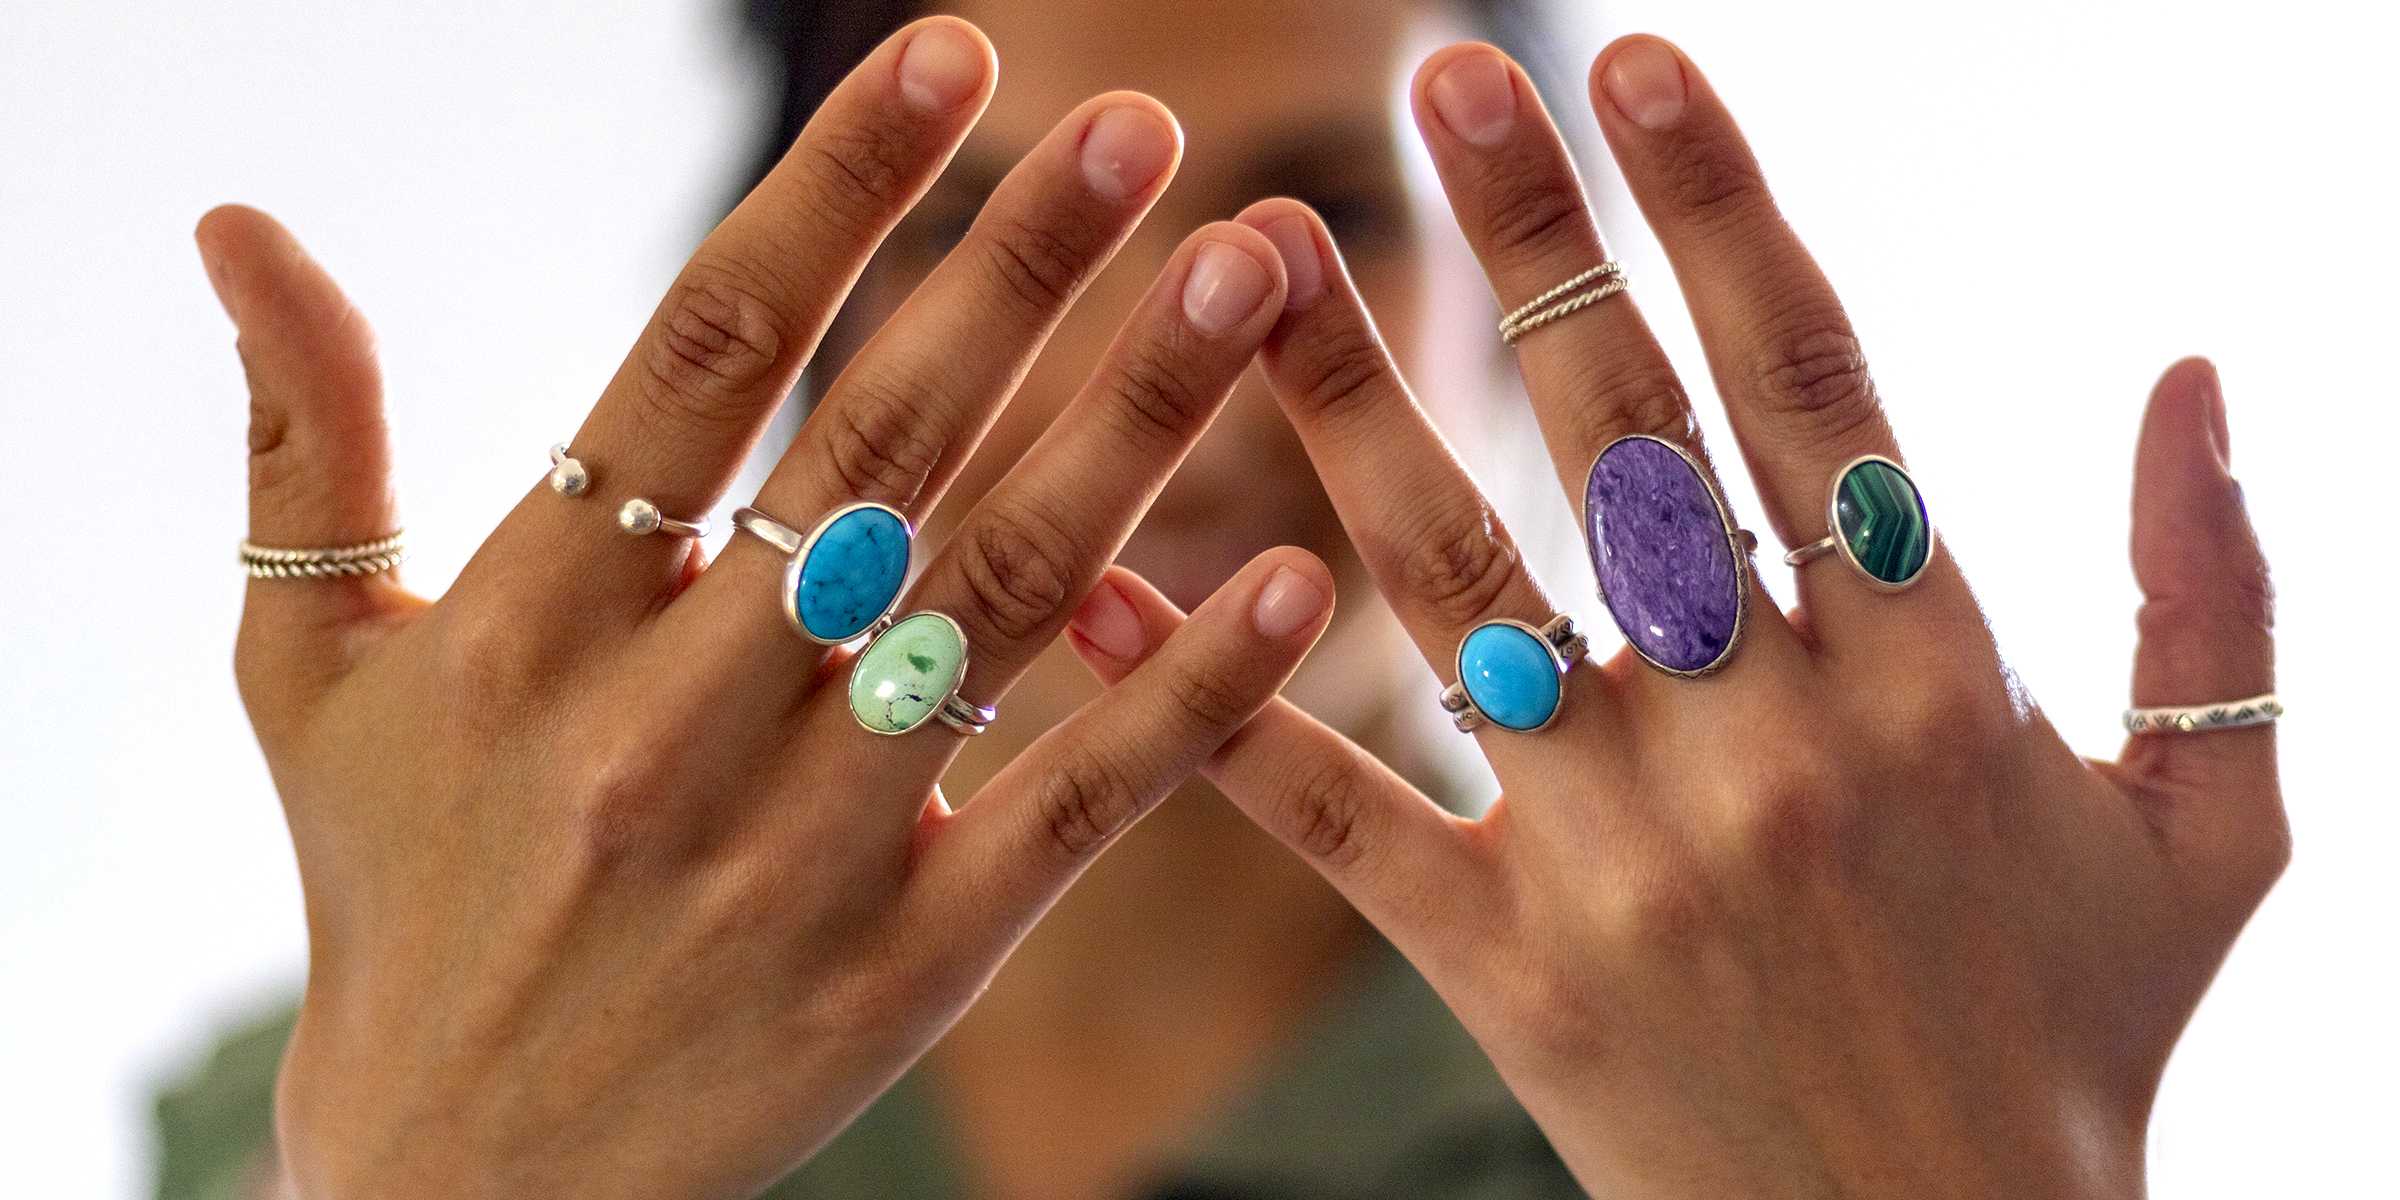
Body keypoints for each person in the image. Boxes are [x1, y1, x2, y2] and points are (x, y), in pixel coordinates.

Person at [159, 0, 2285, 1198]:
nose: (1153, 385)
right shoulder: (361, 1079)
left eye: (1319, 229)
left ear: (1500, 324)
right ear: (820, 333)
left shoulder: (1829, 1049)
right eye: (995, 237)